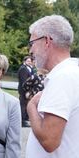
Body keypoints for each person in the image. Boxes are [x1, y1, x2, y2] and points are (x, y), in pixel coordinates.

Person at [26, 15, 79, 158]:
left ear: (47, 41)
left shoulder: (63, 77)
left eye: (32, 43)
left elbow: (49, 141)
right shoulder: (70, 73)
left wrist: (31, 107)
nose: (30, 51)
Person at [17, 56, 33, 127]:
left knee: (26, 104)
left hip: (27, 89)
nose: (29, 62)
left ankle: (25, 118)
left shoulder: (29, 68)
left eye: (30, 61)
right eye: (28, 61)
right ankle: (21, 121)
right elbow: (24, 81)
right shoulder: (23, 69)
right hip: (23, 89)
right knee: (22, 105)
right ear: (24, 61)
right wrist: (27, 90)